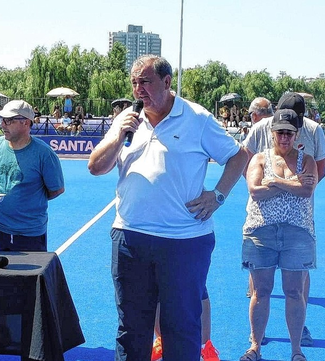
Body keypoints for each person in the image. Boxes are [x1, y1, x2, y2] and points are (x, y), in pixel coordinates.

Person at [88, 55, 248, 361]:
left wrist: (218, 195)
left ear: (167, 82)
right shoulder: (125, 120)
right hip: (130, 238)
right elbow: (96, 167)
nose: (138, 90)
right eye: (134, 83)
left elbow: (238, 156)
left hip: (184, 242)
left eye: (145, 82)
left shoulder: (197, 118)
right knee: (131, 328)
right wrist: (119, 134)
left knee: (182, 328)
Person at [243, 92, 325, 347]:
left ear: (299, 128)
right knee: (261, 289)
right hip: (262, 224)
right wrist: (292, 184)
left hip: (299, 225)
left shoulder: (314, 132)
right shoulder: (260, 130)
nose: (284, 136)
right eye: (280, 131)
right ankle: (256, 339)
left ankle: (298, 339)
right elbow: (251, 179)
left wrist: (278, 184)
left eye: (290, 131)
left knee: (296, 287)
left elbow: (313, 180)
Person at [0, 100, 65, 252]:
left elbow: (56, 189)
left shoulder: (44, 154)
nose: (2, 125)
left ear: (26, 123)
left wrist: (29, 200)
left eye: (8, 120)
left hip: (30, 234)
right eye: (1, 120)